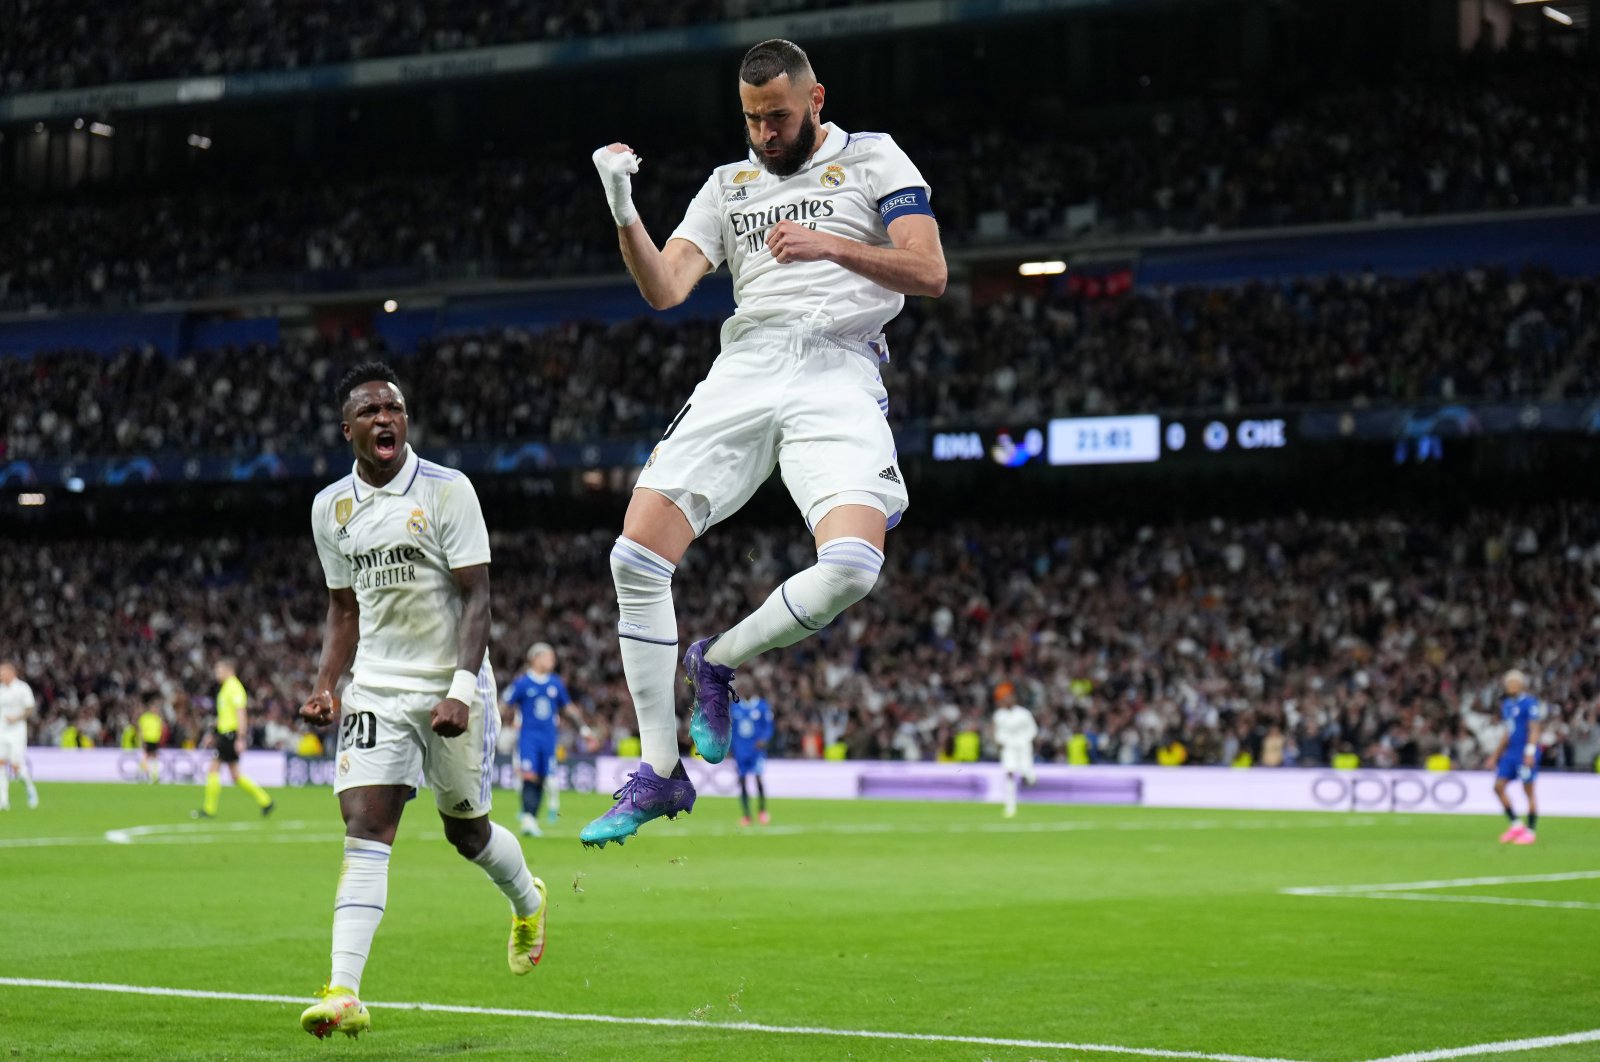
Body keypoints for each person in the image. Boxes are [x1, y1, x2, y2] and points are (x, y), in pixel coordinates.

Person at [582, 38, 946, 847]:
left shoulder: (876, 159)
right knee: (634, 558)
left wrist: (833, 245)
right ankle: (662, 772)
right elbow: (666, 287)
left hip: (838, 369)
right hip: (745, 368)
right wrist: (622, 206)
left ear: (816, 101)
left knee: (852, 566)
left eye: (778, 117)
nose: (765, 134)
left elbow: (929, 271)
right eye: (752, 120)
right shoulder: (729, 186)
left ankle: (717, 659)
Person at [297, 362, 547, 1040]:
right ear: (348, 429)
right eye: (371, 411)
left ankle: (528, 899)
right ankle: (343, 991)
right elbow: (342, 609)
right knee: (366, 831)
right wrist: (326, 684)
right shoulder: (331, 508)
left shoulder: (446, 490)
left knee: (466, 833)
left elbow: (478, 596)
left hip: (450, 686)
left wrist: (462, 689)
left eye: (395, 409)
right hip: (377, 685)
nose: (385, 419)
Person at [503, 642, 572, 837]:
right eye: (549, 657)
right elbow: (504, 704)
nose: (553, 660)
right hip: (529, 738)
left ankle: (531, 818)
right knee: (528, 775)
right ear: (535, 658)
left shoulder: (555, 683)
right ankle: (527, 818)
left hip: (549, 739)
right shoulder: (523, 683)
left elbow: (568, 708)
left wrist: (584, 729)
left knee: (542, 778)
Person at [193, 659, 275, 818]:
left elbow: (241, 714)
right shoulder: (225, 689)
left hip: (231, 735)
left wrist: (241, 738)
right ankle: (265, 801)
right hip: (225, 734)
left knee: (213, 769)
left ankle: (209, 809)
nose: (216, 673)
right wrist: (213, 733)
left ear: (228, 669)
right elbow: (225, 716)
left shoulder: (234, 687)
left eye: (218, 670)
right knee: (236, 775)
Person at [1491, 669, 1544, 845]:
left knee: (1528, 791)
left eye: (1514, 683)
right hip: (1511, 753)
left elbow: (1534, 728)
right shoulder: (1506, 704)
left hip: (1525, 752)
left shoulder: (1530, 703)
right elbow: (1508, 731)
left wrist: (1530, 752)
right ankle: (1516, 824)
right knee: (1498, 787)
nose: (1511, 686)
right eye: (1509, 683)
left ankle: (1530, 831)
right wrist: (1496, 754)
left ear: (1521, 685)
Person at [730, 681, 774, 826]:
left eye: (748, 687)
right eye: (743, 688)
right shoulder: (735, 707)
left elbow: (768, 726)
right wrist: (731, 748)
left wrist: (764, 739)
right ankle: (747, 815)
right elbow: (731, 730)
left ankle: (762, 811)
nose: (745, 690)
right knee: (742, 782)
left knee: (758, 779)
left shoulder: (761, 706)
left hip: (756, 750)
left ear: (753, 689)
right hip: (741, 750)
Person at [992, 689, 1038, 819]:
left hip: (1023, 748)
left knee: (1027, 773)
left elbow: (1033, 730)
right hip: (1009, 748)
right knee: (1009, 774)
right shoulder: (999, 715)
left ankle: (1029, 777)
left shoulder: (1024, 714)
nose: (1006, 701)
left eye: (1009, 698)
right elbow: (997, 731)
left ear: (1014, 700)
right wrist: (999, 741)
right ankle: (1010, 807)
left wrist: (1025, 740)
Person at [0, 661, 39, 810]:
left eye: (3, 672)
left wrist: (16, 718)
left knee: (16, 765)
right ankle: (3, 801)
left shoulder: (22, 688)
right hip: (2, 731)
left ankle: (29, 787)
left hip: (17, 731)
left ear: (11, 673)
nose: (1, 675)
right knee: (0, 764)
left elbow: (30, 708)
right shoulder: (1, 689)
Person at [137, 690, 165, 784]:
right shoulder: (145, 718)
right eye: (154, 708)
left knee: (154, 758)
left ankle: (153, 776)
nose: (155, 710)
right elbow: (141, 730)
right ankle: (143, 774)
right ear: (150, 708)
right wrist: (142, 740)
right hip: (147, 740)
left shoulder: (158, 719)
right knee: (146, 757)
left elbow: (160, 730)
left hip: (155, 740)